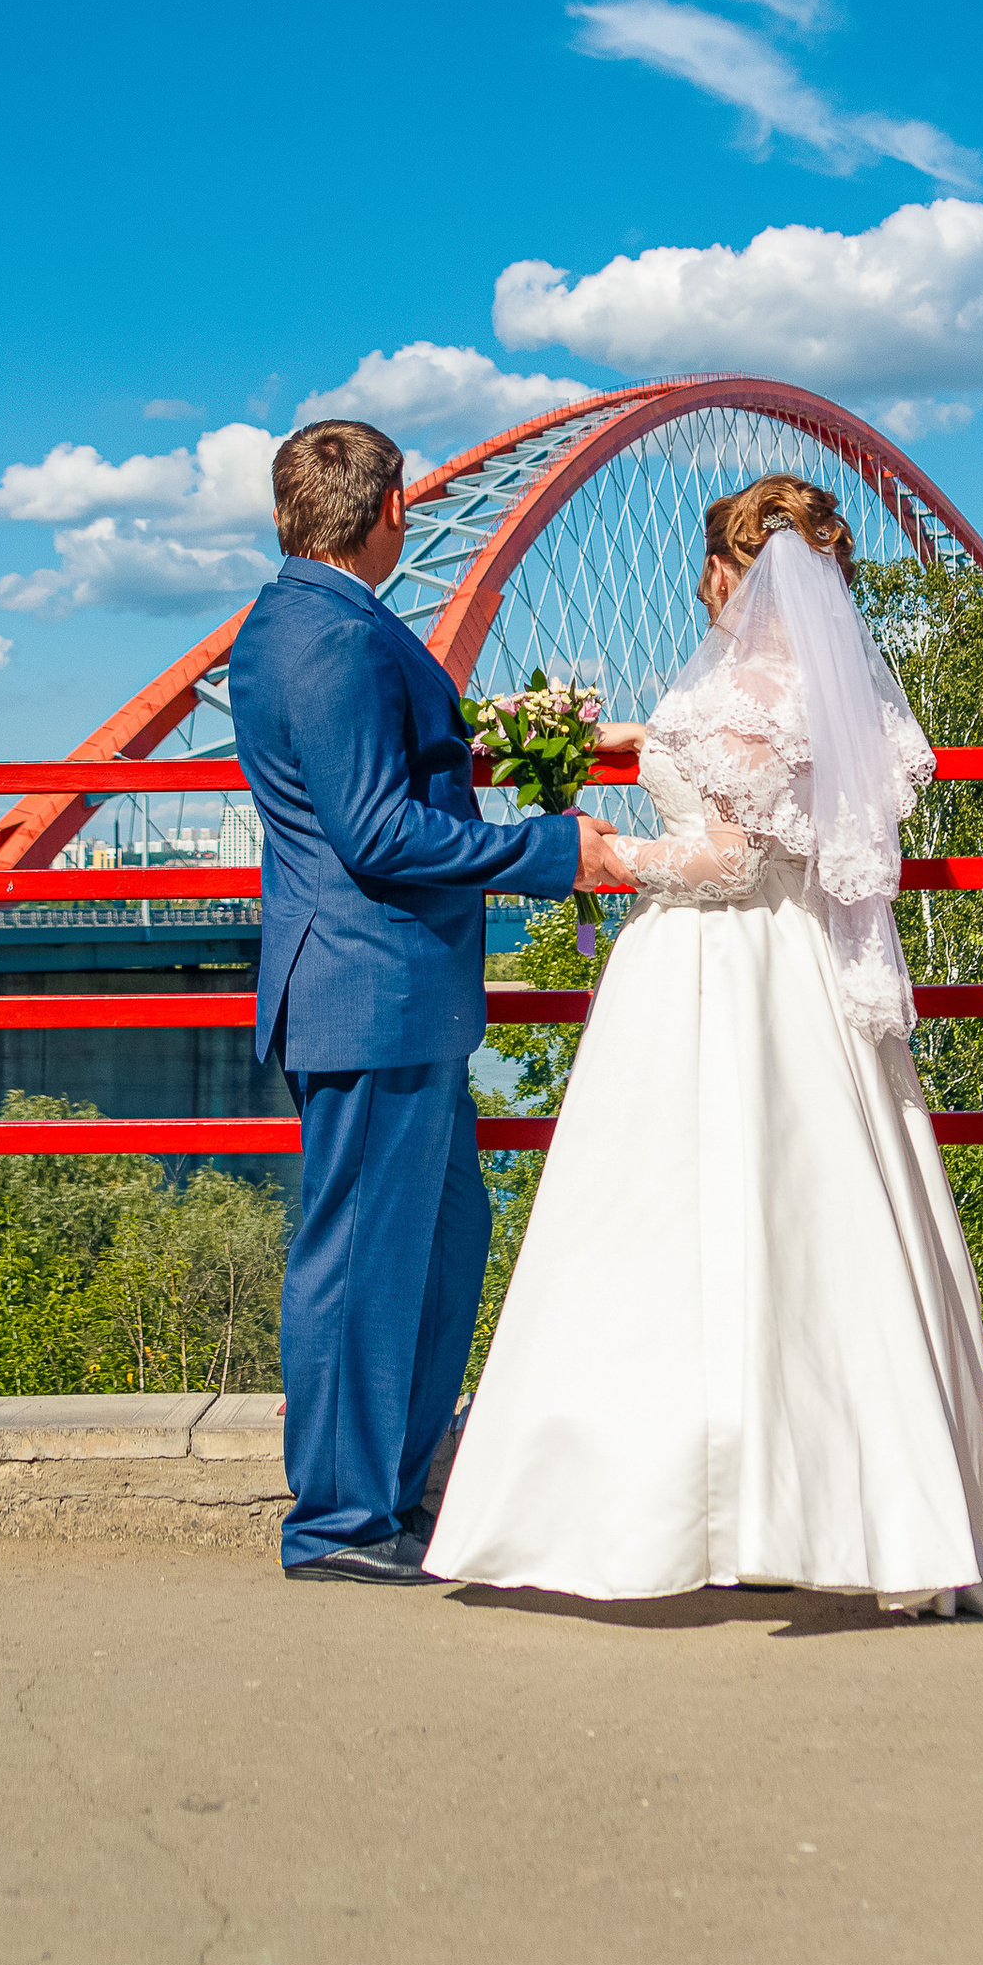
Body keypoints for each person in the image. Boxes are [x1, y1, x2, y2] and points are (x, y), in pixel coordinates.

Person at [424, 473, 983, 1620]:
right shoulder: (843, 693)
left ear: (728, 572)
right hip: (803, 972)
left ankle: (655, 1511)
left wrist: (600, 858)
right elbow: (789, 815)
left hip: (707, 970)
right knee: (815, 1223)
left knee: (660, 1228)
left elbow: (724, 859)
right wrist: (622, 734)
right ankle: (842, 1505)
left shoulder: (729, 694)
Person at [229, 419, 626, 1584]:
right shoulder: (331, 636)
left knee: (444, 1240)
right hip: (370, 986)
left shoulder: (307, 619)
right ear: (394, 508)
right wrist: (553, 850)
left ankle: (391, 1494)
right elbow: (373, 829)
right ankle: (341, 1524)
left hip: (393, 994)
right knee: (360, 1259)